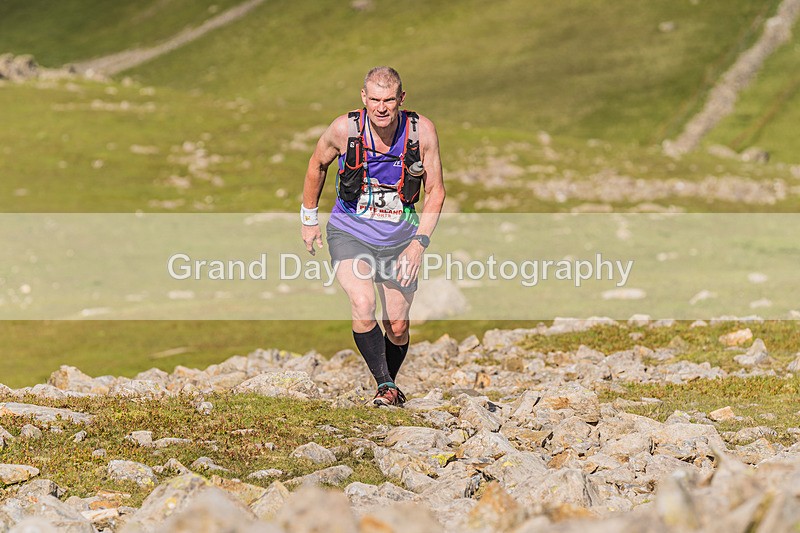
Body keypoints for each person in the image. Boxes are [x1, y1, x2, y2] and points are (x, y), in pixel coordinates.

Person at [300, 66, 445, 406]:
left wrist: (418, 243)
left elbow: (435, 191)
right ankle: (385, 386)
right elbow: (316, 165)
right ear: (363, 98)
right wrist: (309, 219)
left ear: (401, 99)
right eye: (375, 100)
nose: (381, 108)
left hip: (400, 238)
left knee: (396, 325)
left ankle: (388, 385)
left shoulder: (421, 132)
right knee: (363, 304)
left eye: (389, 100)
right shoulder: (343, 129)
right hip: (350, 231)